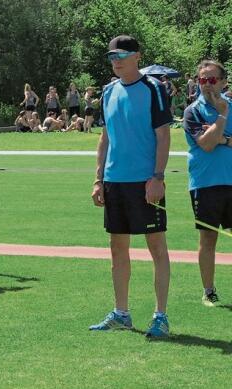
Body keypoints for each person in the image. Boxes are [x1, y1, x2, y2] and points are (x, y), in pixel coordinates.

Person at [90, 35, 172, 338]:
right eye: (112, 57)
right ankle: (121, 313)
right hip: (114, 181)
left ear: (137, 56)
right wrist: (98, 179)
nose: (116, 61)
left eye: (122, 55)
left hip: (146, 181)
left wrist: (158, 177)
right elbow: (105, 138)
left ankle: (160, 316)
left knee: (156, 247)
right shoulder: (108, 91)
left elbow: (163, 136)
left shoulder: (154, 89)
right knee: (117, 248)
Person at [182, 59, 232, 307]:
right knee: (208, 239)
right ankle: (209, 291)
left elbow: (214, 139)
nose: (207, 85)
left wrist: (220, 137)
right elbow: (207, 144)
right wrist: (222, 118)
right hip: (205, 183)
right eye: (203, 79)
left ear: (224, 82)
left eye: (212, 79)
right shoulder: (193, 111)